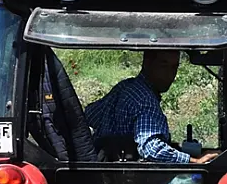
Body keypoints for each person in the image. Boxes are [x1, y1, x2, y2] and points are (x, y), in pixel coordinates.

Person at [85, 50, 217, 164]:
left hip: (106, 172)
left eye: (174, 67)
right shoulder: (145, 100)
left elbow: (90, 115)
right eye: (163, 65)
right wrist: (193, 161)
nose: (170, 74)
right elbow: (151, 149)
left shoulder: (125, 87)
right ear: (147, 62)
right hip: (130, 180)